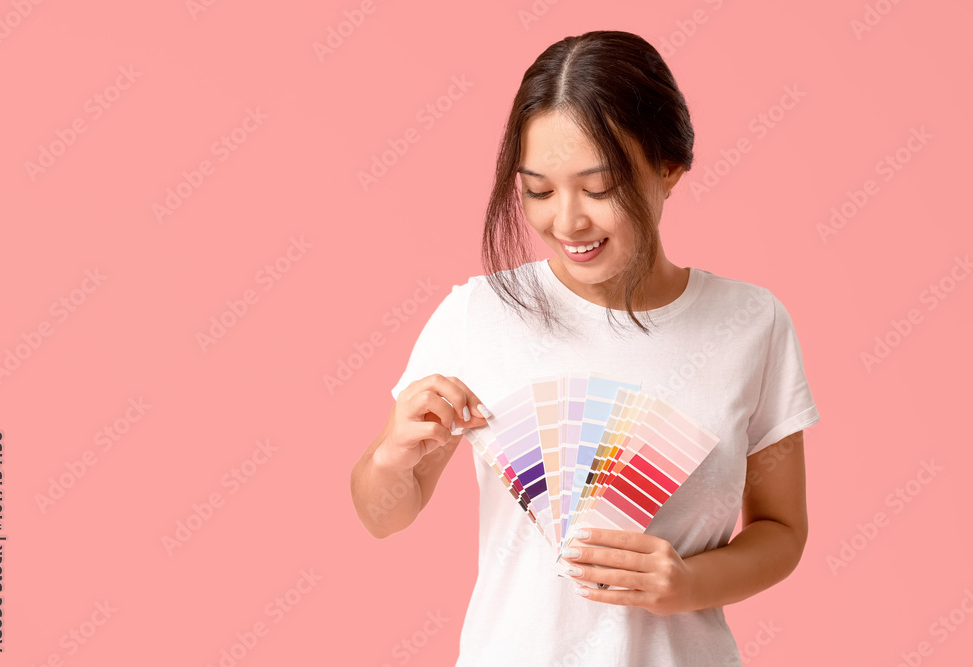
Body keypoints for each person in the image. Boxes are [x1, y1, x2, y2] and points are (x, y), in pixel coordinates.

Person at [350, 30, 819, 666]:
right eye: (538, 190)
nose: (566, 222)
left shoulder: (751, 324)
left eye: (598, 189)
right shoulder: (477, 315)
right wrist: (393, 456)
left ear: (669, 168)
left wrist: (687, 584)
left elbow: (781, 532)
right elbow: (383, 515)